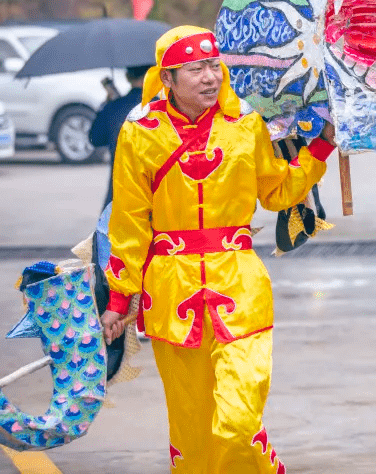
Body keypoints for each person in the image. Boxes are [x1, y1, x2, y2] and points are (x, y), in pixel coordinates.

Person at [99, 25, 335, 473]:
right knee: (191, 434)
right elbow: (129, 219)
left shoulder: (245, 124)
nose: (210, 77)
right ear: (167, 78)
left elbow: (278, 193)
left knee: (237, 423)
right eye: (195, 69)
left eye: (214, 66)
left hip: (240, 288)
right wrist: (117, 296)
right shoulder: (139, 133)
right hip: (170, 294)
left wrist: (320, 147)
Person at [90, 65, 151, 207]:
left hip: (118, 192)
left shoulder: (113, 107)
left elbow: (95, 139)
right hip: (153, 192)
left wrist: (107, 104)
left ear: (127, 77)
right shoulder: (160, 107)